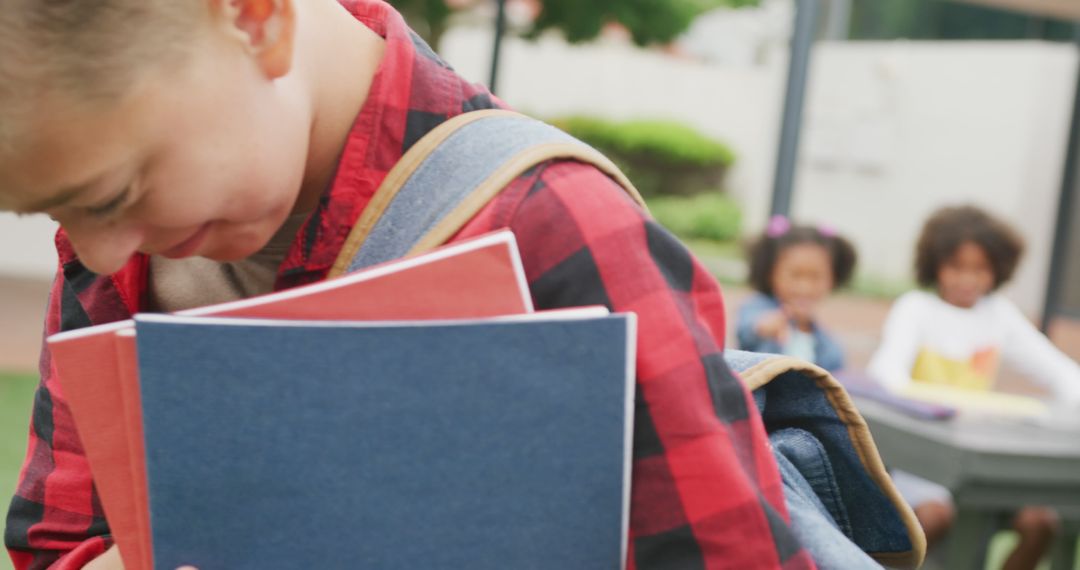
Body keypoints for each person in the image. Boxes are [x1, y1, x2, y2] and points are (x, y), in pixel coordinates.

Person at [0, 1, 817, 568]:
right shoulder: (118, 259)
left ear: (256, 16)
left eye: (113, 193)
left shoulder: (555, 229)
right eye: (55, 211)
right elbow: (52, 543)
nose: (100, 252)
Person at [868, 205, 1080, 570]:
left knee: (1040, 521)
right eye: (957, 267)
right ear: (935, 265)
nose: (968, 279)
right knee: (933, 517)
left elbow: (1058, 371)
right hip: (925, 462)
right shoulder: (917, 308)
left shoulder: (998, 315)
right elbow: (886, 372)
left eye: (979, 269)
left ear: (998, 270)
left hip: (983, 465)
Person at [736, 215, 858, 372]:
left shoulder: (820, 335)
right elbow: (746, 331)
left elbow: (835, 363)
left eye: (816, 277)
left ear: (833, 278)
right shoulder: (757, 306)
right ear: (770, 272)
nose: (804, 287)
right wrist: (765, 327)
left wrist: (808, 328)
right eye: (795, 275)